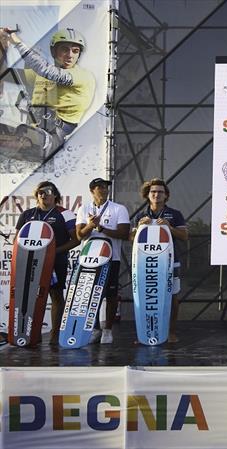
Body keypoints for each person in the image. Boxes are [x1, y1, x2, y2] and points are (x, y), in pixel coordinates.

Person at [0, 27, 96, 156]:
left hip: (51, 139)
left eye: (75, 51)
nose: (70, 55)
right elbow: (6, 74)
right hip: (31, 130)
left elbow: (47, 71)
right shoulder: (41, 75)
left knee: (16, 142)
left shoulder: (83, 76)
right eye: (64, 49)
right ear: (54, 51)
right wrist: (2, 43)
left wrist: (18, 43)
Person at [15, 181, 80, 345]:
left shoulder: (65, 214)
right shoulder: (27, 214)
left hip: (55, 262)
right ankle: (31, 333)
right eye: (40, 192)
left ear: (55, 195)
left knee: (56, 295)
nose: (44, 194)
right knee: (30, 297)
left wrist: (51, 253)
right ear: (37, 195)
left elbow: (76, 240)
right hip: (31, 262)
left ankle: (55, 335)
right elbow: (17, 240)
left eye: (48, 191)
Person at [131, 178, 188, 343]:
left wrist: (170, 228)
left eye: (160, 192)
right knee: (145, 296)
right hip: (145, 264)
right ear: (147, 195)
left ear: (166, 195)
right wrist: (140, 228)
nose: (156, 194)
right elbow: (131, 238)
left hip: (169, 262)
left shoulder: (175, 214)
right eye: (153, 192)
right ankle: (145, 332)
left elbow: (184, 236)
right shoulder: (141, 215)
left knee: (171, 296)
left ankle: (170, 332)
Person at [75, 178, 130, 344]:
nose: (104, 189)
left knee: (111, 295)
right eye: (100, 187)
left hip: (111, 258)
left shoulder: (119, 209)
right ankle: (95, 329)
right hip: (89, 259)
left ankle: (108, 330)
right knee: (92, 295)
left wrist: (101, 228)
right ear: (92, 191)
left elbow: (123, 234)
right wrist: (90, 226)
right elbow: (79, 236)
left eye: (105, 187)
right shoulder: (84, 209)